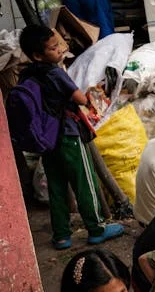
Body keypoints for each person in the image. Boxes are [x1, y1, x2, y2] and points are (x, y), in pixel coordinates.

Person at [18, 25, 124, 250]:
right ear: (38, 55)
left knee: (57, 187)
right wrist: (91, 97)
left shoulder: (27, 73)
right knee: (84, 182)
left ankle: (61, 235)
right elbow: (80, 99)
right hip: (68, 135)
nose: (59, 51)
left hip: (47, 140)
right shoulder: (54, 72)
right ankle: (96, 229)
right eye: (53, 48)